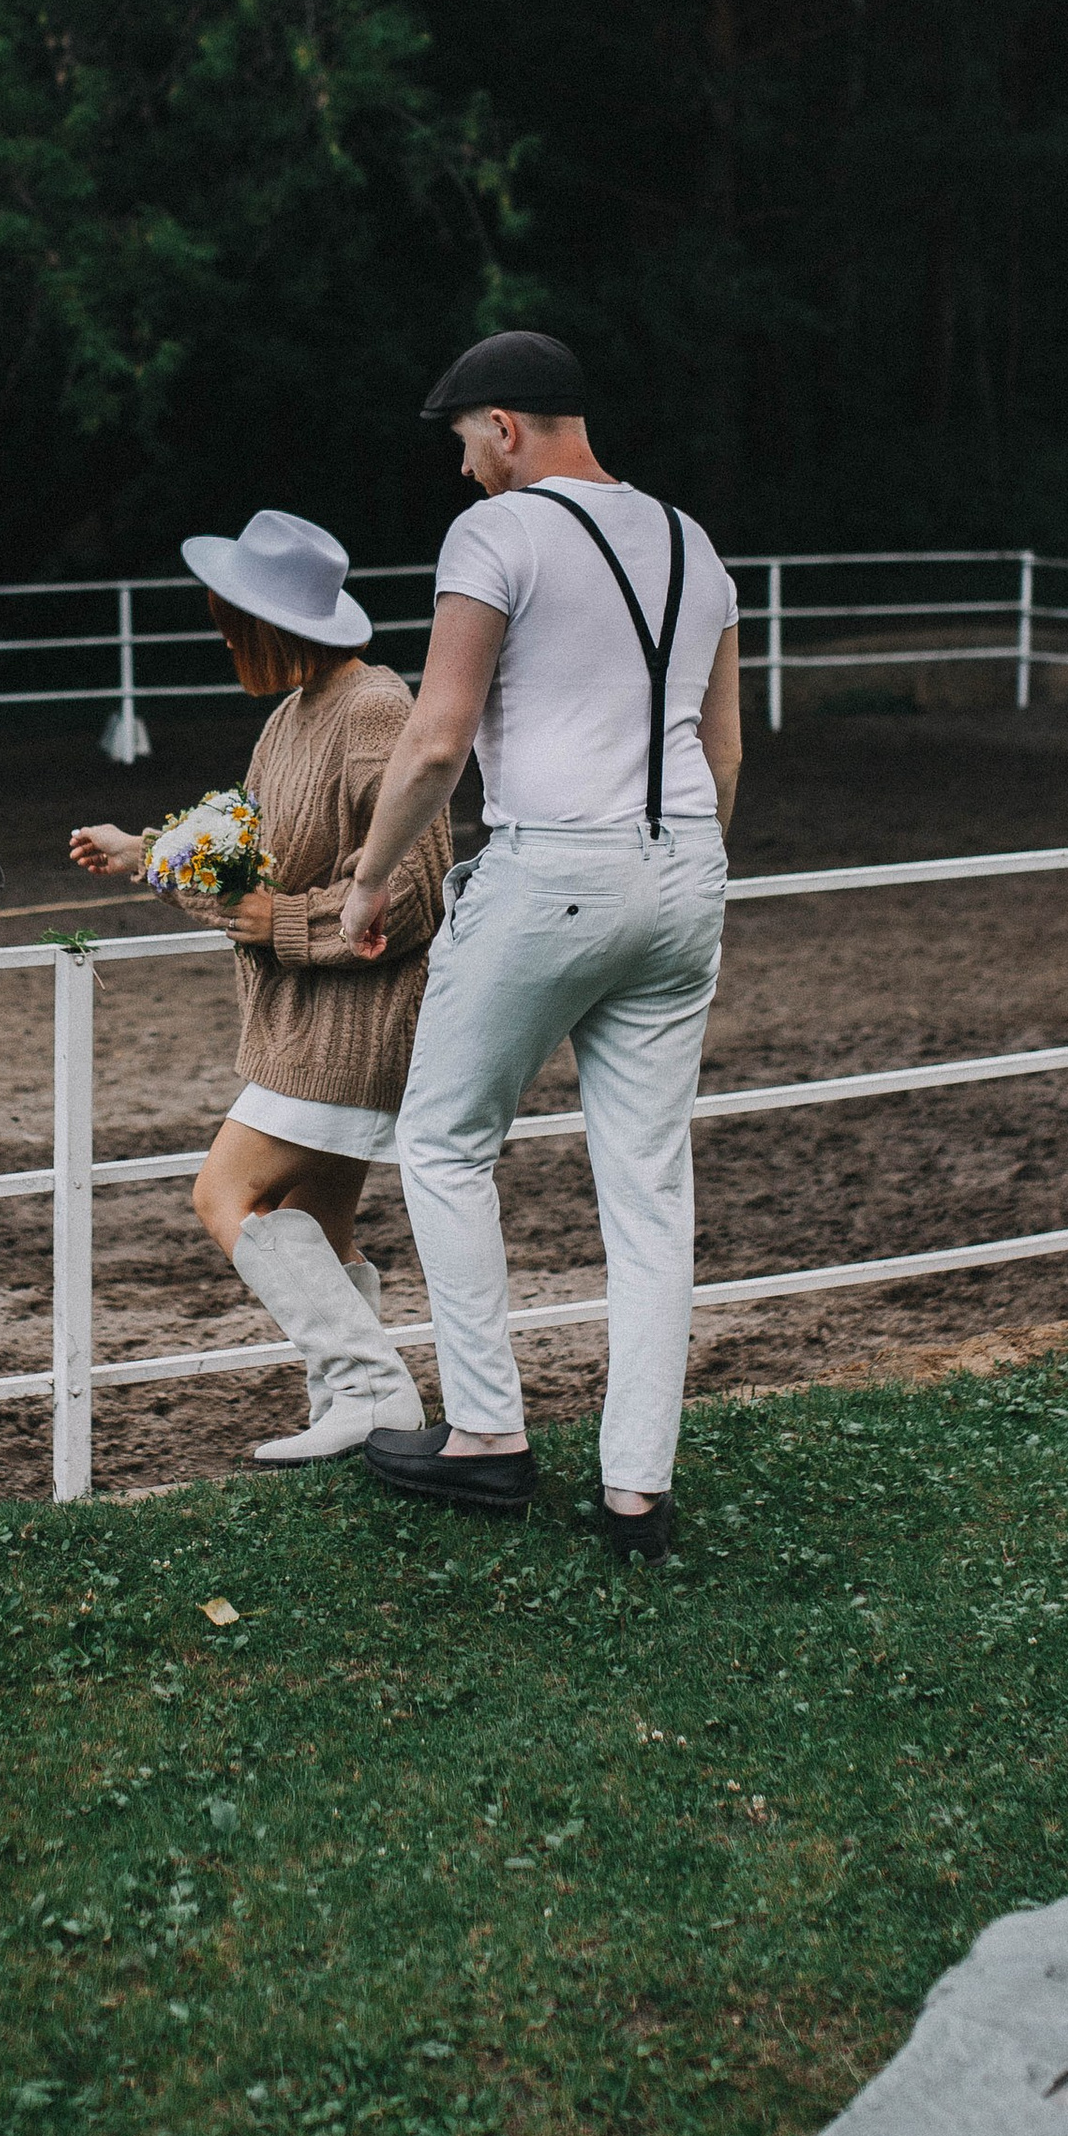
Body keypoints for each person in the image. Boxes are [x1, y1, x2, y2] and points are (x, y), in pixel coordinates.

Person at [336, 333, 740, 1558]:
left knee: (444, 1142)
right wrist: (676, 866)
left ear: (504, 426)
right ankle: (637, 1490)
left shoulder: (498, 535)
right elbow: (722, 754)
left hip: (552, 870)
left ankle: (488, 1437)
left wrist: (364, 883)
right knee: (650, 1188)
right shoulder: (697, 544)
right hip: (685, 874)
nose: (464, 473)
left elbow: (436, 738)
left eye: (465, 445)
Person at [68, 509, 450, 1461]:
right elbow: (242, 863)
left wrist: (282, 923)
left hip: (353, 1026)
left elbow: (418, 888)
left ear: (274, 624)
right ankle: (348, 1406)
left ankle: (374, 1391)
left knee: (222, 1193)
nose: (222, 635)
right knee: (308, 1220)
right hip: (299, 1020)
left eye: (232, 619)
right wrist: (146, 854)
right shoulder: (287, 721)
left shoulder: (375, 711)